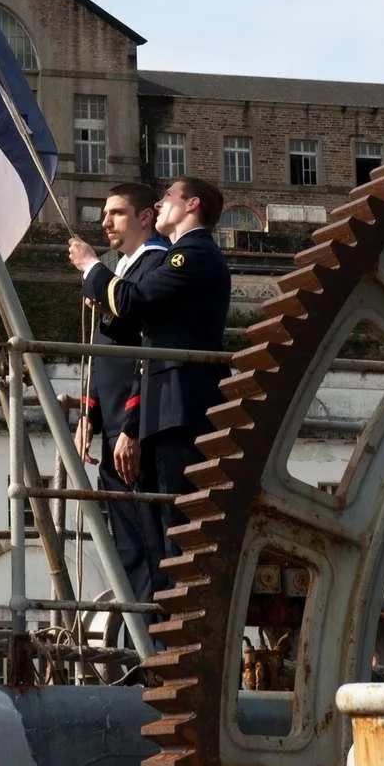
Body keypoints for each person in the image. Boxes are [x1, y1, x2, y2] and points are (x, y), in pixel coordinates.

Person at [68, 174, 231, 585]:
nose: (160, 205)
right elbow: (131, 328)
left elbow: (131, 302)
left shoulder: (189, 255)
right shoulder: (180, 255)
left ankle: (171, 630)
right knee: (153, 538)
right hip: (161, 406)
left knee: (169, 532)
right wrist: (93, 411)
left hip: (178, 404)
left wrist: (92, 268)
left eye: (168, 197)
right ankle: (159, 633)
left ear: (192, 204)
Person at [71, 183, 166, 602]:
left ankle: (153, 650)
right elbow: (103, 351)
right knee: (127, 548)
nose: (105, 222)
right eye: (105, 214)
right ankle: (137, 648)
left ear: (145, 217)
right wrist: (88, 415)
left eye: (117, 213)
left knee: (147, 547)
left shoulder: (156, 267)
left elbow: (147, 353)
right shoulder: (123, 272)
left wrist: (130, 425)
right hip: (110, 423)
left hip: (134, 427)